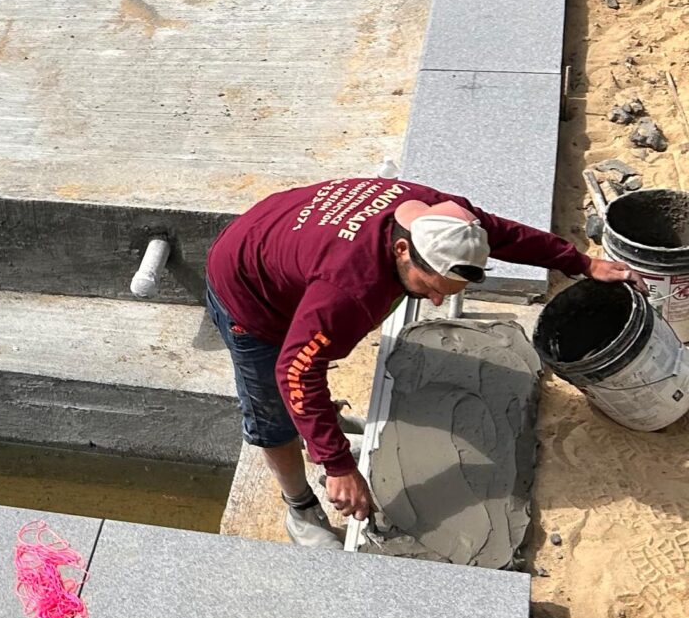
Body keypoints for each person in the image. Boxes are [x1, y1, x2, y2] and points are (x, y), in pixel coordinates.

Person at [203, 176, 625, 547]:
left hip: (287, 236)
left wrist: (581, 262)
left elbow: (504, 234)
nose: (438, 300)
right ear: (403, 249)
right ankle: (300, 509)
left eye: (448, 290)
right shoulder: (348, 291)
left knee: (313, 354)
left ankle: (315, 423)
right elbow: (295, 368)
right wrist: (338, 466)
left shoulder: (442, 217)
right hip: (247, 290)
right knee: (273, 411)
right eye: (430, 287)